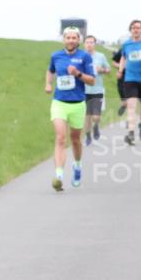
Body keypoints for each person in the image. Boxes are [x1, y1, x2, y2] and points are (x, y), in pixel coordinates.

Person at [45, 27, 96, 191]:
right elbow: (50, 71)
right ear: (64, 39)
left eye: (74, 38)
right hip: (59, 103)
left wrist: (78, 74)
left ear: (78, 40)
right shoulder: (56, 56)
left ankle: (77, 165)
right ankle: (59, 175)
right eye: (68, 37)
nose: (71, 40)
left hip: (78, 104)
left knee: (75, 140)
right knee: (60, 138)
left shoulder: (85, 56)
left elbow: (92, 81)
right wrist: (48, 84)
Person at [117, 20, 141, 145]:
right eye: (133, 28)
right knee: (131, 105)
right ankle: (131, 132)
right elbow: (123, 57)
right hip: (130, 79)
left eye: (138, 27)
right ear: (130, 30)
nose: (135, 30)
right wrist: (120, 70)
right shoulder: (126, 44)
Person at [83, 35, 111, 146]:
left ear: (94, 44)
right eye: (87, 42)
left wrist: (102, 70)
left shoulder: (101, 56)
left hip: (97, 90)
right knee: (87, 116)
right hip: (83, 90)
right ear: (84, 44)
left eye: (91, 42)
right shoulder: (81, 56)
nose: (89, 44)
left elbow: (108, 69)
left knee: (96, 116)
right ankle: (88, 136)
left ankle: (96, 127)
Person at [112, 48, 126, 116]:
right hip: (122, 77)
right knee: (124, 99)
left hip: (135, 78)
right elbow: (114, 63)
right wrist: (122, 67)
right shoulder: (123, 49)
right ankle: (124, 105)